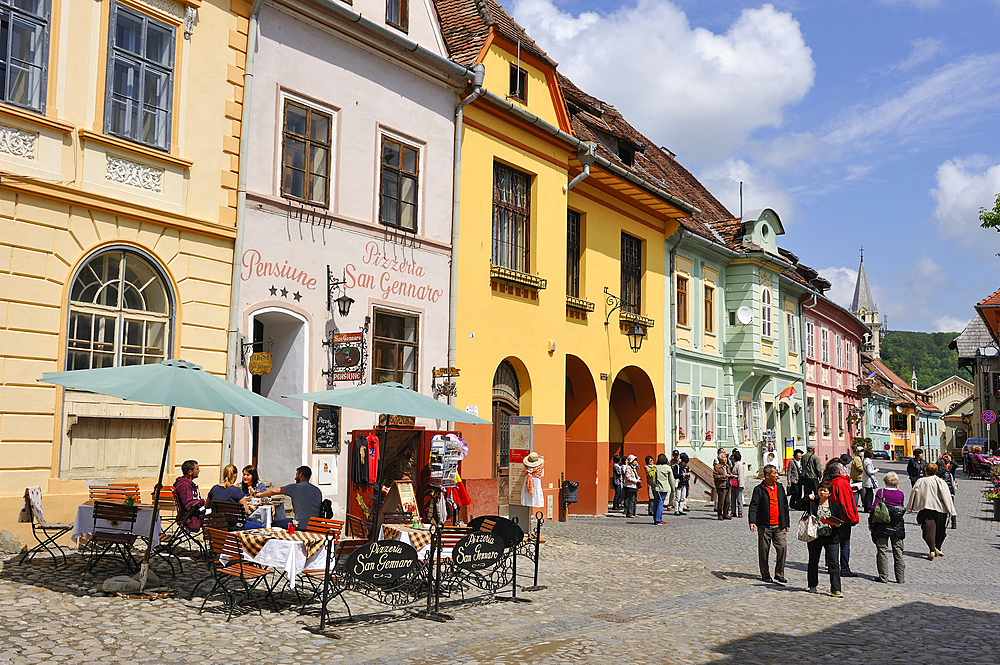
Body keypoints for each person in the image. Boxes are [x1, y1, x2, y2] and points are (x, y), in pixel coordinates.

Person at [805, 480, 848, 597]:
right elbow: (796, 505)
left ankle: (836, 589)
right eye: (820, 490)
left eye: (825, 490)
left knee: (834, 563)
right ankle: (812, 585)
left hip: (831, 538)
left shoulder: (834, 505)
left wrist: (839, 525)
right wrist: (808, 498)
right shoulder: (813, 503)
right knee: (813, 561)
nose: (822, 492)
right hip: (815, 537)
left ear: (829, 493)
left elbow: (841, 520)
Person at [747, 464, 789, 584]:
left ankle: (779, 573)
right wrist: (752, 521)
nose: (777, 475)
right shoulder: (759, 489)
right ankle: (765, 574)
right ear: (767, 475)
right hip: (765, 525)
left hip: (779, 525)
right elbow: (754, 506)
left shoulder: (780, 488)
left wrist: (786, 522)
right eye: (775, 473)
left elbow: (785, 506)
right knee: (764, 550)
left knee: (782, 547)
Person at [906, 462, 956, 560]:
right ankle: (938, 547)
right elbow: (947, 497)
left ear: (926, 470)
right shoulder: (941, 482)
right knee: (940, 530)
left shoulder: (920, 481)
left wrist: (909, 507)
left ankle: (932, 549)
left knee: (928, 529)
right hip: (941, 509)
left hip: (926, 508)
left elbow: (913, 493)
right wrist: (951, 511)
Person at [259, 465, 323, 530]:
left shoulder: (296, 487)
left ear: (301, 475)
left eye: (296, 475)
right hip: (315, 526)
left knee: (273, 524)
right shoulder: (317, 490)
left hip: (300, 525)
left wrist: (260, 495)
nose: (295, 478)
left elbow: (274, 491)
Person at [824, 460, 860, 576]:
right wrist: (852, 518)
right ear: (840, 470)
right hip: (842, 518)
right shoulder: (841, 482)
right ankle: (844, 568)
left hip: (829, 516)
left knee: (831, 542)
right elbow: (846, 502)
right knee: (844, 543)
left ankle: (831, 565)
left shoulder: (826, 481)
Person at [869, 471, 905, 584]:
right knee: (898, 551)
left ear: (885, 481)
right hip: (897, 525)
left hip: (882, 525)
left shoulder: (881, 492)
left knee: (882, 550)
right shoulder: (900, 494)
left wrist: (871, 522)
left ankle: (883, 576)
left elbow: (874, 508)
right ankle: (900, 578)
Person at [208, 464, 264, 529]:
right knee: (262, 528)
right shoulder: (236, 490)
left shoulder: (214, 488)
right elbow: (246, 510)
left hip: (217, 524)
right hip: (232, 525)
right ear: (235, 475)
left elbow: (207, 506)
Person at [174, 459, 206, 531]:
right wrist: (204, 501)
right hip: (191, 520)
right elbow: (188, 505)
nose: (199, 471)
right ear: (190, 472)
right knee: (218, 517)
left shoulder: (190, 484)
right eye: (197, 469)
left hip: (196, 515)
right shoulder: (184, 486)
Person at [936, 453, 958, 529]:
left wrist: (950, 460)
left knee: (950, 506)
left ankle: (953, 522)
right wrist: (940, 460)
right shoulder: (941, 466)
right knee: (948, 506)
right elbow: (937, 466)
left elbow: (956, 465)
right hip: (948, 484)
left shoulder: (952, 465)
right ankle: (943, 522)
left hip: (951, 482)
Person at [652, 453, 674, 524]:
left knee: (655, 503)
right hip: (664, 488)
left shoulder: (655, 467)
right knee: (660, 503)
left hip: (655, 487)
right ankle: (658, 519)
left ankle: (655, 518)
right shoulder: (667, 467)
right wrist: (673, 488)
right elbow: (671, 479)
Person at [713, 451, 734, 520]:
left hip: (728, 484)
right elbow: (715, 476)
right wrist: (724, 476)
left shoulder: (727, 466)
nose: (725, 459)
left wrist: (730, 475)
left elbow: (729, 472)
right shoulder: (717, 467)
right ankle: (720, 515)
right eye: (724, 457)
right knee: (721, 501)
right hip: (721, 485)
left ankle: (726, 513)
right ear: (720, 459)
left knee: (728, 501)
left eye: (726, 457)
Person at [730, 450, 746, 518]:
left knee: (739, 499)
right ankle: (733, 511)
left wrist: (741, 485)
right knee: (733, 498)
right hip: (733, 483)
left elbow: (740, 475)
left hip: (738, 483)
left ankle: (740, 512)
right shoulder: (735, 464)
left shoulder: (739, 465)